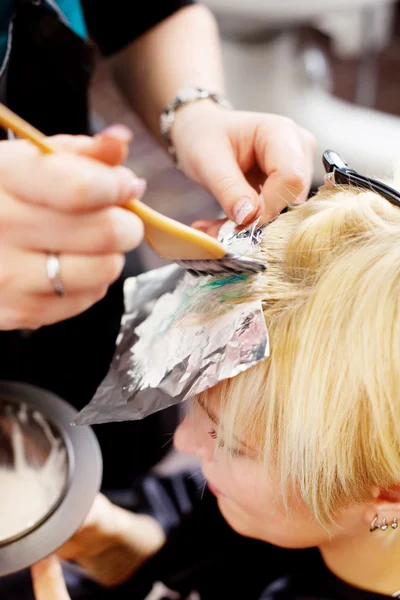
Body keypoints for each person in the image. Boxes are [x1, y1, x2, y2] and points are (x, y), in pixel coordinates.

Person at [31, 165, 400, 599]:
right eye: (200, 410)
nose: (185, 442)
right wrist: (121, 544)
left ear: (388, 493)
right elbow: (200, 541)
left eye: (234, 443)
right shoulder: (252, 503)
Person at [0, 0, 315, 491]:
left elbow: (143, 13)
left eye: (234, 443)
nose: (187, 446)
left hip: (79, 248)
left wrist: (193, 113)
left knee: (109, 463)